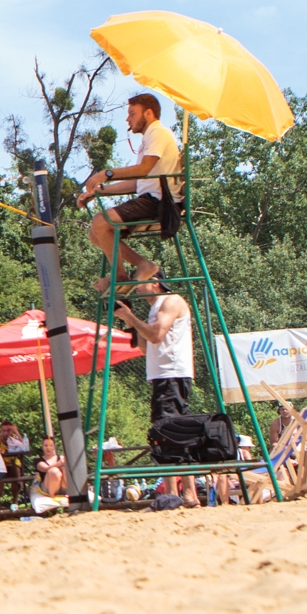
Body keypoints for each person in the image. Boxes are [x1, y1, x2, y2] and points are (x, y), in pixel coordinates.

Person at [76, 93, 182, 292]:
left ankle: (119, 275)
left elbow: (143, 169)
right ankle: (143, 265)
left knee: (101, 220)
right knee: (95, 233)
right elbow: (137, 183)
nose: (128, 119)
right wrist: (98, 192)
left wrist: (107, 174)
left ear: (148, 113)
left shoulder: (158, 133)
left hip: (161, 202)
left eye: (132, 114)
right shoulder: (149, 138)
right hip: (150, 198)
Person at [115, 276, 199, 506]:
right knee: (170, 433)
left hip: (171, 375)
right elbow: (145, 346)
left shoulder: (171, 301)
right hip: (163, 376)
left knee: (168, 434)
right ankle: (185, 493)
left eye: (139, 282)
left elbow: (155, 335)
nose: (136, 287)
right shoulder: (155, 308)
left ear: (155, 281)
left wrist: (130, 317)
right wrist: (131, 323)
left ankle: (177, 494)